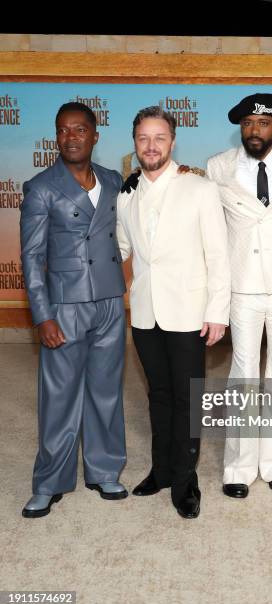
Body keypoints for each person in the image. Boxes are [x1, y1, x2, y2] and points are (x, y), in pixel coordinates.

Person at [117, 106, 230, 519]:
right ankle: (161, 469)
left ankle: (186, 480)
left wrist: (218, 310)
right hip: (145, 312)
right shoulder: (126, 194)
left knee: (186, 399)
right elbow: (122, 248)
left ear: (172, 141)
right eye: (144, 138)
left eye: (159, 138)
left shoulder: (200, 189)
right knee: (158, 395)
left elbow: (218, 254)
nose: (151, 145)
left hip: (189, 311)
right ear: (135, 143)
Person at [20, 102, 128, 518]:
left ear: (95, 135)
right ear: (56, 136)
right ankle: (49, 482)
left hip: (109, 303)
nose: (70, 137)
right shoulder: (41, 187)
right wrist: (42, 315)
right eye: (63, 131)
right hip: (63, 306)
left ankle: (104, 470)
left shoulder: (114, 181)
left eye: (79, 130)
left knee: (105, 393)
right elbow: (31, 258)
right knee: (59, 397)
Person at [206, 93, 272, 498]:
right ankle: (237, 467)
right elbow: (199, 208)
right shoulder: (219, 166)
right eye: (248, 123)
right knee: (244, 373)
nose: (255, 130)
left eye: (263, 123)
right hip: (243, 283)